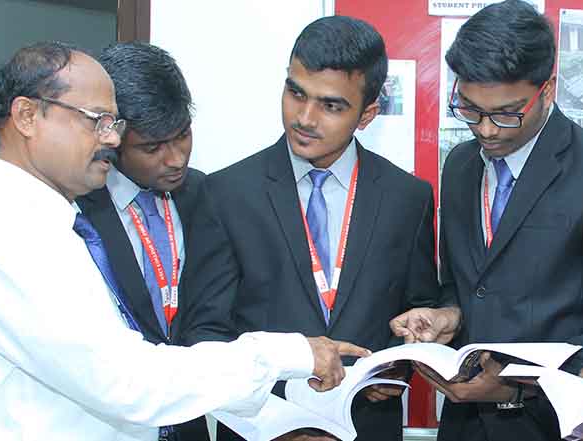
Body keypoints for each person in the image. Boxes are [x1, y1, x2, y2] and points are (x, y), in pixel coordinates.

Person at [0, 41, 366, 441]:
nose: (112, 139)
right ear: (27, 116)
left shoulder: (44, 221)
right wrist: (287, 353)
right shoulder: (9, 234)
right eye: (98, 121)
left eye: (114, 123)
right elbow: (126, 382)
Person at [180, 16, 442, 441]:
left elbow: (418, 310)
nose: (304, 117)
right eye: (296, 92)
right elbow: (204, 333)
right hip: (260, 430)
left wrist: (398, 365)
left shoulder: (407, 198)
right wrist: (274, 418)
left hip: (367, 427)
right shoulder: (226, 193)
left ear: (367, 114)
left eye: (331, 106)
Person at [397, 2, 583, 440]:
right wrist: (447, 315)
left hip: (553, 425)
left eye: (507, 113)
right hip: (464, 426)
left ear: (546, 90)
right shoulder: (460, 166)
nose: (487, 130)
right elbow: (462, 284)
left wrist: (520, 384)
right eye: (470, 109)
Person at [71, 41, 210, 440]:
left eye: (182, 136)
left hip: (191, 423)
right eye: (152, 147)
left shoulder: (204, 195)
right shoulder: (77, 210)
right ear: (111, 138)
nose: (176, 159)